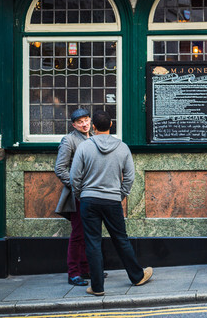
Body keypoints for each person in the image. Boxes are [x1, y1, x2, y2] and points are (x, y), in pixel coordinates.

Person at [70, 110, 152, 296]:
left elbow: (75, 177)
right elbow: (130, 177)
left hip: (88, 200)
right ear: (111, 125)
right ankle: (137, 276)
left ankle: (97, 287)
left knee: (92, 242)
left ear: (94, 127)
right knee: (121, 239)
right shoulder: (122, 147)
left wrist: (81, 195)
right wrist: (120, 195)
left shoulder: (84, 147)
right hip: (112, 200)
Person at [54, 108, 92, 287]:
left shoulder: (92, 138)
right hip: (77, 195)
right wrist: (77, 188)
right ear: (73, 125)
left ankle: (85, 269)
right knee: (77, 234)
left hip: (92, 193)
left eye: (86, 120)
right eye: (80, 122)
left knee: (87, 233)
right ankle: (73, 273)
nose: (84, 124)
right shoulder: (68, 140)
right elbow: (60, 169)